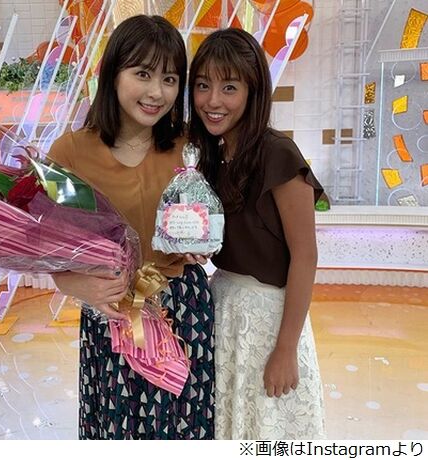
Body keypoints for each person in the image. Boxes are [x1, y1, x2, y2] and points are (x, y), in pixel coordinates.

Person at [47, 15, 214, 440]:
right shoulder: (69, 152)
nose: (157, 92)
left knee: (182, 427)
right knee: (118, 427)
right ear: (112, 73)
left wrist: (207, 240)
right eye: (143, 74)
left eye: (170, 79)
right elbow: (47, 245)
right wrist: (76, 284)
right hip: (112, 313)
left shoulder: (190, 146)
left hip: (183, 310)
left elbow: (212, 218)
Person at [189, 28, 325, 440]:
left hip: (270, 320)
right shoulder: (209, 157)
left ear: (254, 91)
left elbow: (305, 256)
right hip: (222, 308)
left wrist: (286, 348)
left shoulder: (277, 153)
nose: (213, 101)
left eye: (229, 87)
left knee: (269, 429)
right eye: (203, 85)